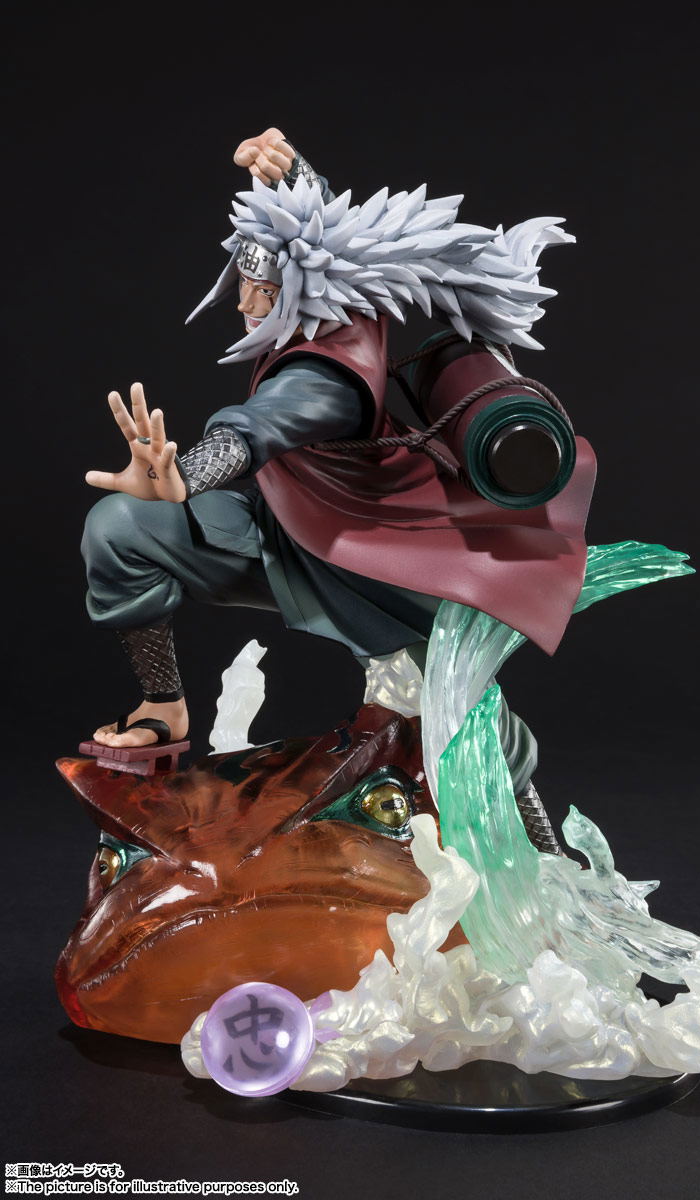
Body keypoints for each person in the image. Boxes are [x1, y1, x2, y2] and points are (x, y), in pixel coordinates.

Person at [81, 129, 593, 852]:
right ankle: (163, 706)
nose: (245, 302)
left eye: (261, 291)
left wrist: (186, 475)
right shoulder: (343, 295)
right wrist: (294, 172)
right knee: (121, 527)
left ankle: (548, 855)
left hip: (375, 561)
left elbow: (262, 424)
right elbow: (329, 238)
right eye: (246, 283)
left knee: (464, 714)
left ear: (294, 291)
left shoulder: (325, 376)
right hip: (287, 530)